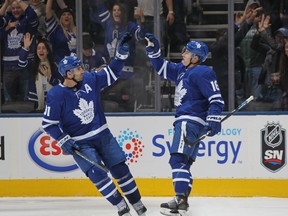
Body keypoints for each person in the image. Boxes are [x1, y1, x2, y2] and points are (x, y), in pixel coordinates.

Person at [41, 32, 147, 216]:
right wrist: (62, 139)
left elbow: (112, 72)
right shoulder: (56, 95)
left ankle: (138, 205)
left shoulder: (90, 79)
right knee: (97, 173)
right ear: (68, 73)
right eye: (78, 69)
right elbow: (49, 124)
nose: (82, 70)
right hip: (81, 144)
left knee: (121, 169)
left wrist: (121, 55)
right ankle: (120, 206)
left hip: (103, 136)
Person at [144, 33, 224, 215]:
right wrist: (153, 50)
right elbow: (162, 67)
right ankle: (181, 200)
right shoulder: (183, 70)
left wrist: (214, 118)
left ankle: (181, 201)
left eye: (187, 52)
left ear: (195, 58)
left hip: (189, 121)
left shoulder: (202, 72)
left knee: (177, 159)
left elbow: (216, 99)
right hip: (188, 121)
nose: (183, 54)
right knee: (184, 163)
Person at [0, 0, 38, 103]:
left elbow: (32, 16)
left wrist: (19, 1)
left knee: (26, 100)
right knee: (9, 100)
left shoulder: (27, 21)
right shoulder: (7, 20)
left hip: (25, 65)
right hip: (7, 66)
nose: (16, 10)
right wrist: (7, 3)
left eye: (18, 7)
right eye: (13, 8)